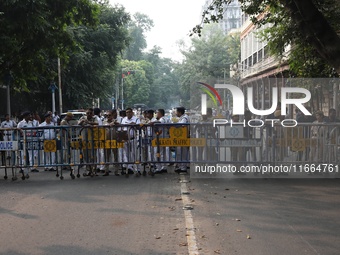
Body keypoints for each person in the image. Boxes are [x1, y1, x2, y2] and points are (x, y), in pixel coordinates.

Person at [78, 108, 98, 175]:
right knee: (85, 155)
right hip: (84, 140)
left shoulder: (94, 118)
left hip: (93, 139)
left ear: (92, 114)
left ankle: (93, 169)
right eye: (88, 113)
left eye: (90, 113)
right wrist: (83, 121)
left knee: (93, 155)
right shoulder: (83, 117)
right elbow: (78, 123)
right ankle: (87, 169)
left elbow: (97, 124)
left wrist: (89, 123)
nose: (89, 114)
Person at [121, 107, 140, 175]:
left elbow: (139, 127)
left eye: (129, 112)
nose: (128, 113)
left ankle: (137, 168)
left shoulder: (136, 119)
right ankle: (129, 168)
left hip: (133, 138)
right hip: (126, 139)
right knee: (127, 154)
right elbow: (122, 128)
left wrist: (134, 125)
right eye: (127, 112)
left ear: (132, 112)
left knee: (134, 154)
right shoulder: (123, 119)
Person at [102, 109, 121, 176]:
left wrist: (114, 123)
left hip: (114, 140)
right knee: (106, 156)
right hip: (106, 140)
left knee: (115, 155)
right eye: (107, 115)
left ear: (112, 115)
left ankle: (116, 170)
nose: (108, 116)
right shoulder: (104, 122)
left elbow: (119, 125)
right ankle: (106, 170)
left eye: (109, 115)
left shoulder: (115, 121)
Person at [174, 107, 190, 173]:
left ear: (180, 112)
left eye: (176, 112)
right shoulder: (182, 117)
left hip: (184, 138)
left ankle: (183, 167)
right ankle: (181, 166)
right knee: (179, 152)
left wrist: (175, 125)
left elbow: (182, 125)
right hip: (181, 138)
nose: (176, 113)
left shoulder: (184, 118)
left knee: (183, 153)